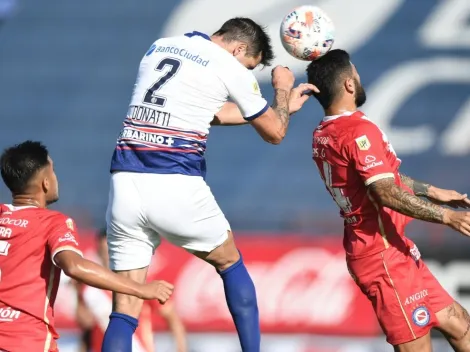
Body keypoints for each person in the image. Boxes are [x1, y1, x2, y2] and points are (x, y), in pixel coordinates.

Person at [104, 17, 317, 352]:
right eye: (249, 66)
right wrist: (280, 88)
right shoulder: (227, 65)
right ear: (240, 49)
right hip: (174, 181)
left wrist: (278, 109)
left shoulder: (161, 46)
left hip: (125, 184)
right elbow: (275, 132)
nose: (247, 73)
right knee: (230, 262)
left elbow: (206, 110)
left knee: (125, 306)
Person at [308, 49, 470, 352]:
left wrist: (432, 191)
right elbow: (384, 191)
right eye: (355, 73)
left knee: (460, 325)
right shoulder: (357, 131)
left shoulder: (326, 131)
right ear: (348, 84)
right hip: (382, 259)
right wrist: (447, 216)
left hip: (394, 248)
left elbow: (382, 177)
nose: (358, 77)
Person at [0, 141, 174, 352]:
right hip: (27, 342)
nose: (56, 179)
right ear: (45, 183)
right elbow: (74, 267)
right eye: (53, 171)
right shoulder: (53, 223)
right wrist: (140, 289)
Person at [75, 229, 187, 352]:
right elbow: (85, 324)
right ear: (97, 252)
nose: (107, 257)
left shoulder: (139, 284)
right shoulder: (89, 288)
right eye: (103, 252)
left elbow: (172, 318)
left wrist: (181, 349)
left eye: (110, 251)